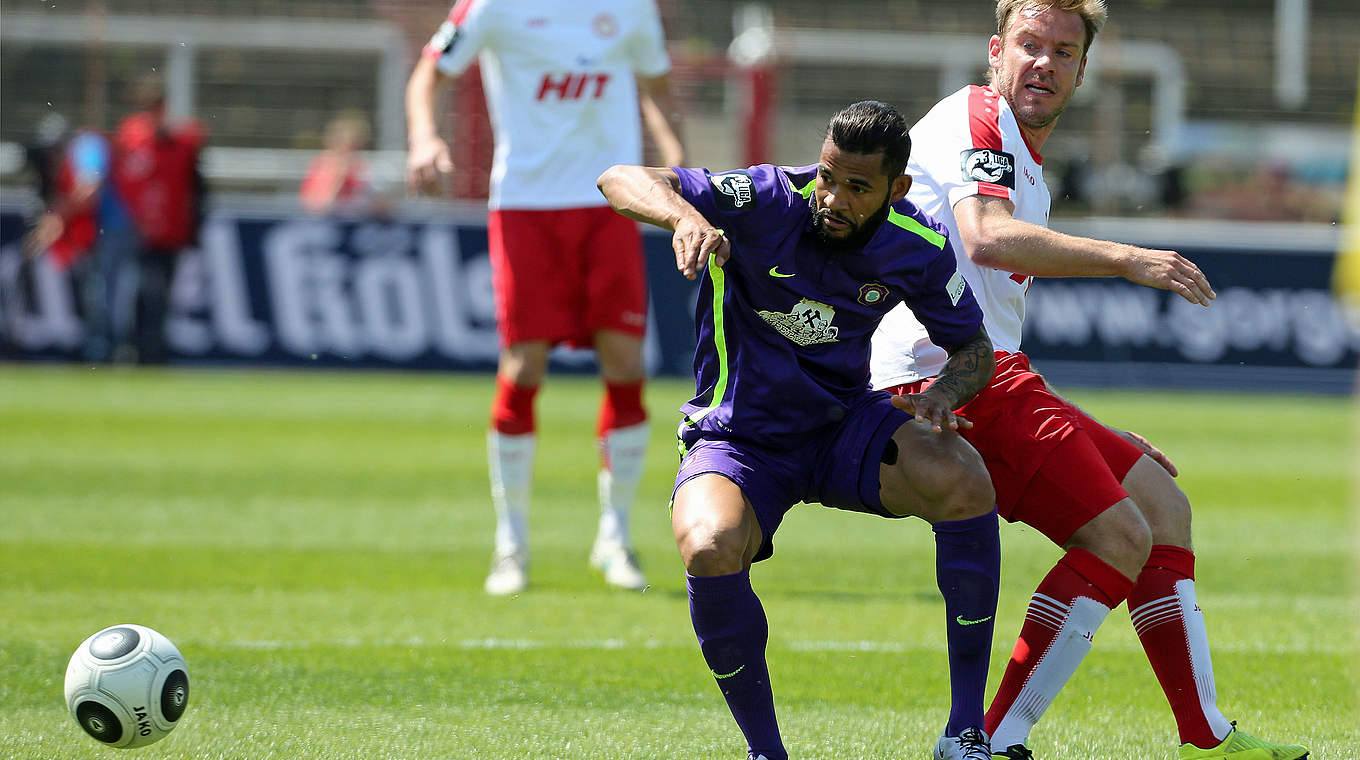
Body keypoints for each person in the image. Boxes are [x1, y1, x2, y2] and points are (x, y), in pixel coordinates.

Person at [868, 2, 1309, 759]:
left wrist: (1082, 428)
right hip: (937, 378)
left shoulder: (1021, 159)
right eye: (1030, 45)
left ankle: (1206, 734)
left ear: (1082, 69)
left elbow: (994, 299)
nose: (1043, 63)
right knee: (1118, 533)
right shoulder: (976, 114)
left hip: (991, 373)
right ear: (995, 51)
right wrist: (1128, 258)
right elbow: (987, 237)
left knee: (1161, 506)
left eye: (1063, 51)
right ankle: (987, 739)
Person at [599, 100, 1003, 760]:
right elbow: (620, 176)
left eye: (857, 187)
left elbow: (974, 351)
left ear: (896, 190)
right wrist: (686, 217)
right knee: (707, 544)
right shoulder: (765, 198)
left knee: (962, 479)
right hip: (739, 437)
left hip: (841, 428)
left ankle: (965, 732)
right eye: (827, 176)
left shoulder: (918, 243)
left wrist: (943, 394)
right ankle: (767, 752)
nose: (833, 198)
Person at [405, 0, 686, 595]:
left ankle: (616, 536)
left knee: (626, 364)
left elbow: (656, 84)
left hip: (611, 202)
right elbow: (429, 69)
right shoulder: (492, 8)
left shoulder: (630, 9)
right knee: (524, 366)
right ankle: (511, 545)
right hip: (526, 206)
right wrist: (424, 137)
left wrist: (675, 158)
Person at [23, 118, 139, 363]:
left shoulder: (87, 146)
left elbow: (90, 189)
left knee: (106, 290)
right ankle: (101, 346)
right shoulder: (77, 151)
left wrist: (57, 216)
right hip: (95, 230)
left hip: (114, 227)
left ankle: (112, 349)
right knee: (95, 290)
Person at [111, 73, 207, 366]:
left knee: (160, 294)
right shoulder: (132, 138)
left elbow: (194, 184)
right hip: (138, 230)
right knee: (137, 290)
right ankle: (132, 347)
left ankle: (152, 350)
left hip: (169, 230)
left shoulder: (180, 140)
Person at [300, 113, 373, 215]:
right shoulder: (323, 165)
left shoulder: (360, 165)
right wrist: (338, 179)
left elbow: (368, 200)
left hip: (357, 220)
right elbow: (316, 206)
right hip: (328, 221)